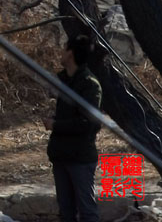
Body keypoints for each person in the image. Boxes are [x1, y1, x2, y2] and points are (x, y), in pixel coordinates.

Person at [45, 35, 102, 222]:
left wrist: (56, 125)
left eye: (64, 48)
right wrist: (56, 119)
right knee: (66, 212)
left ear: (70, 54)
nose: (60, 53)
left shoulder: (89, 85)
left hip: (80, 159)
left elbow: (90, 124)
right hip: (61, 155)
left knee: (87, 212)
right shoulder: (66, 81)